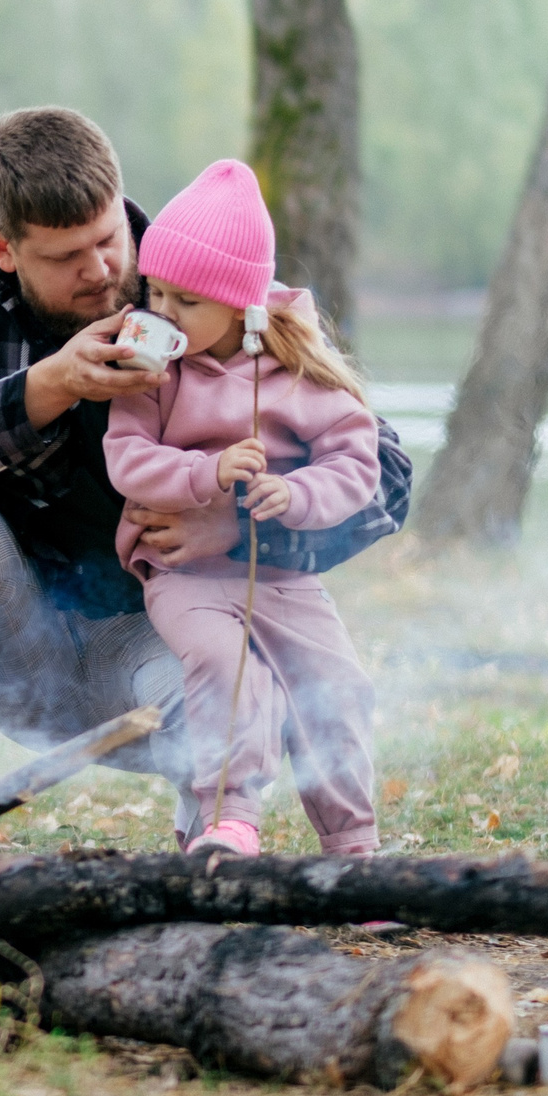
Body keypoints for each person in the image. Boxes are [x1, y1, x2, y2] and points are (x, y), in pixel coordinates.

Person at [0, 107, 410, 828]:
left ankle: (208, 850)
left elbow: (385, 473)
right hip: (18, 645)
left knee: (233, 684)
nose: (103, 270)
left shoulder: (196, 271)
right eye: (65, 258)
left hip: (165, 637)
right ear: (4, 247)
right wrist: (43, 390)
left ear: (123, 206)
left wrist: (233, 528)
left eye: (109, 238)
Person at [103, 161, 382, 857]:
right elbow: (127, 459)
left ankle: (353, 848)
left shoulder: (295, 370)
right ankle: (231, 820)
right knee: (227, 666)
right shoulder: (150, 367)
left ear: (241, 305)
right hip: (182, 575)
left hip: (282, 577)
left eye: (184, 302)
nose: (161, 313)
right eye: (154, 291)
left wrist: (298, 495)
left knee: (337, 686)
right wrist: (205, 471)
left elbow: (358, 462)